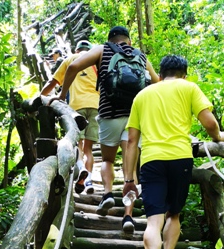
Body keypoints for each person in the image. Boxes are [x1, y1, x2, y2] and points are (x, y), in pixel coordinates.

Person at [123, 54, 224, 249]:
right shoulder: (189, 88)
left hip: (151, 160)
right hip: (180, 158)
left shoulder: (142, 95)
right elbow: (210, 123)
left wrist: (129, 179)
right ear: (184, 73)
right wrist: (218, 138)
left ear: (159, 75)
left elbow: (131, 140)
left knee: (153, 220)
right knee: (174, 213)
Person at [57, 26, 159, 232]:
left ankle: (108, 194)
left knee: (108, 160)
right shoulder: (140, 55)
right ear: (128, 41)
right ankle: (128, 217)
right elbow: (157, 83)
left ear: (111, 39)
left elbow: (73, 67)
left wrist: (62, 95)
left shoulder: (102, 50)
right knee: (130, 170)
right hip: (134, 117)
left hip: (109, 114)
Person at [41, 40, 99, 193]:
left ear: (77, 49)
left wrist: (41, 96)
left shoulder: (70, 59)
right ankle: (90, 181)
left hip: (77, 106)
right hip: (96, 105)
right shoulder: (96, 60)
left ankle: (81, 168)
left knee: (78, 144)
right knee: (89, 149)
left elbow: (53, 82)